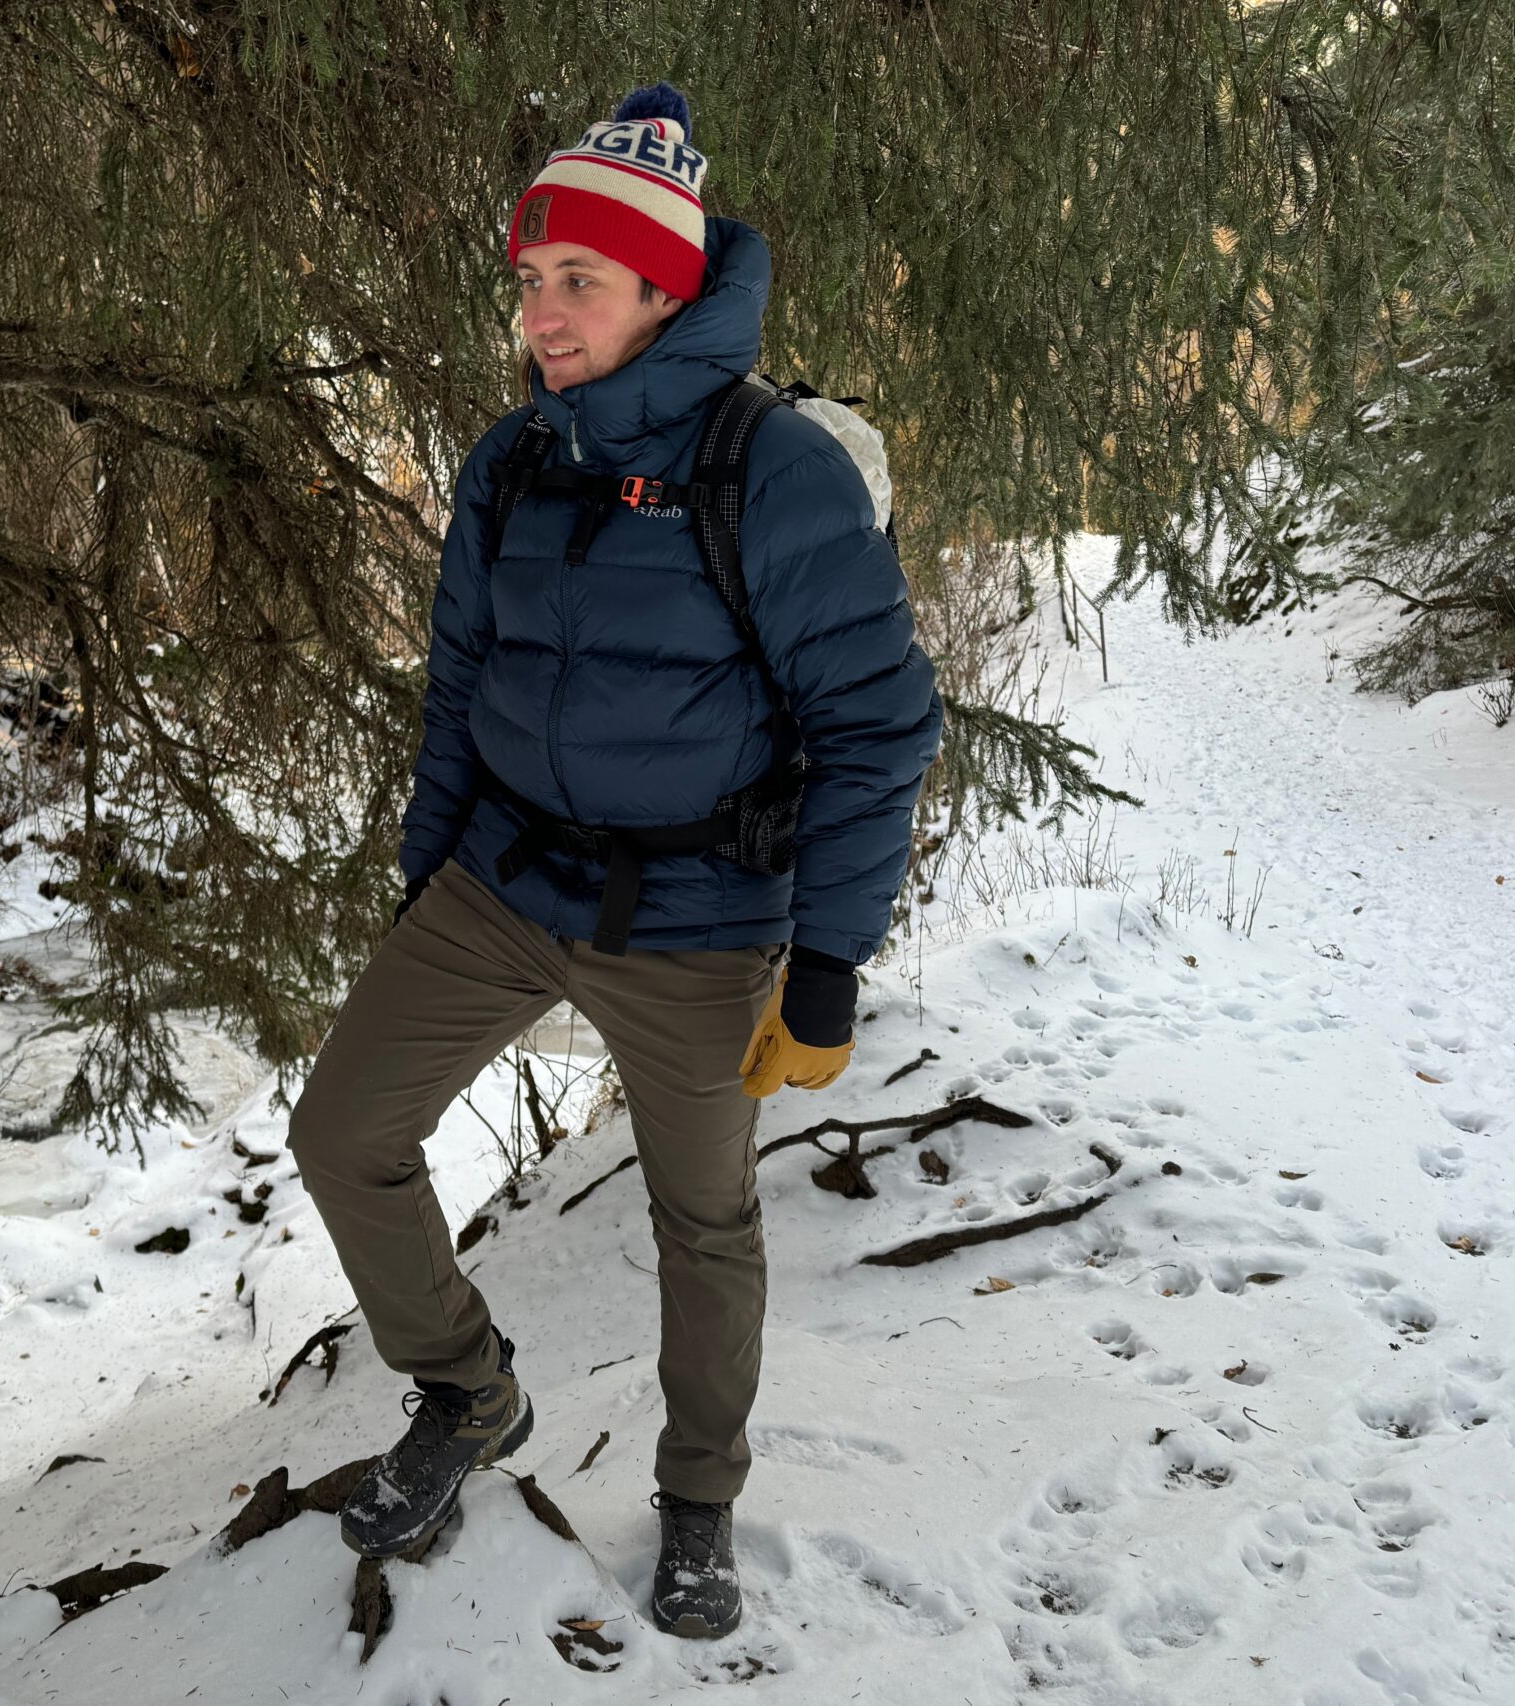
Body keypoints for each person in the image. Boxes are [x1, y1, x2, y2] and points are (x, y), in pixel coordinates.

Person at [285, 81, 940, 1641]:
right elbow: (459, 686)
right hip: (504, 883)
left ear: (665, 287)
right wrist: (426, 871)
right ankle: (468, 1391)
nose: (542, 313)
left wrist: (829, 965)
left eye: (578, 281)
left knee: (703, 1221)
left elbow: (879, 724)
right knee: (342, 1131)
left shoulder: (773, 472)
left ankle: (700, 1496)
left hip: (700, 917)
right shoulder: (509, 463)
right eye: (528, 280)